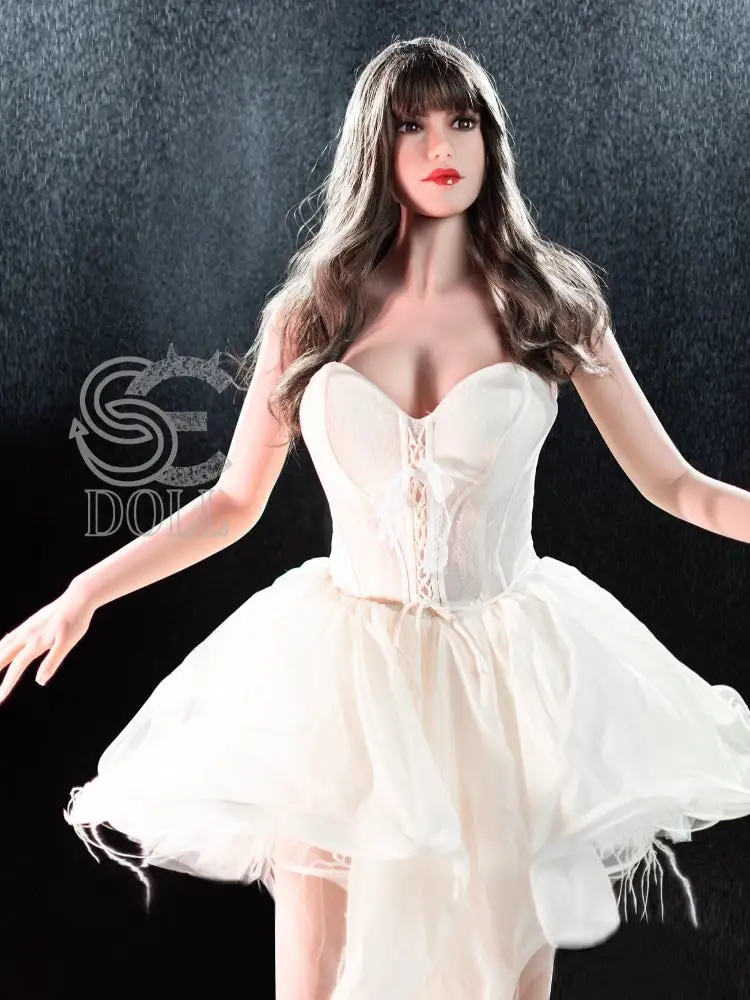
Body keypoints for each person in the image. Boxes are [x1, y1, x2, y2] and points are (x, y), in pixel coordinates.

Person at [1, 34, 750, 1000]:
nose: (442, 145)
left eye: (462, 120)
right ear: (374, 147)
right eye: (411, 125)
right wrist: (86, 590)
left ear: (490, 141)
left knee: (504, 969)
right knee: (313, 979)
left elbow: (676, 484)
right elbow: (233, 501)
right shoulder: (310, 316)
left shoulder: (550, 308)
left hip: (504, 684)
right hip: (344, 682)